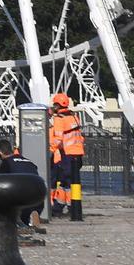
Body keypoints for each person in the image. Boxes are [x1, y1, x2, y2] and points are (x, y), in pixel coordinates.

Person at [49, 93, 87, 221]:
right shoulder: (74, 117)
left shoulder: (60, 119)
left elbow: (59, 139)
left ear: (57, 105)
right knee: (70, 182)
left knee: (66, 182)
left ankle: (63, 207)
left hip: (67, 153)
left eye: (54, 104)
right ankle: (69, 207)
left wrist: (51, 150)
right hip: (78, 153)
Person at [0, 142, 45, 229]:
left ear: (0, 152)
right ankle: (31, 216)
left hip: (21, 197)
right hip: (38, 197)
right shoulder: (28, 161)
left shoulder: (7, 163)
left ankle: (14, 220)